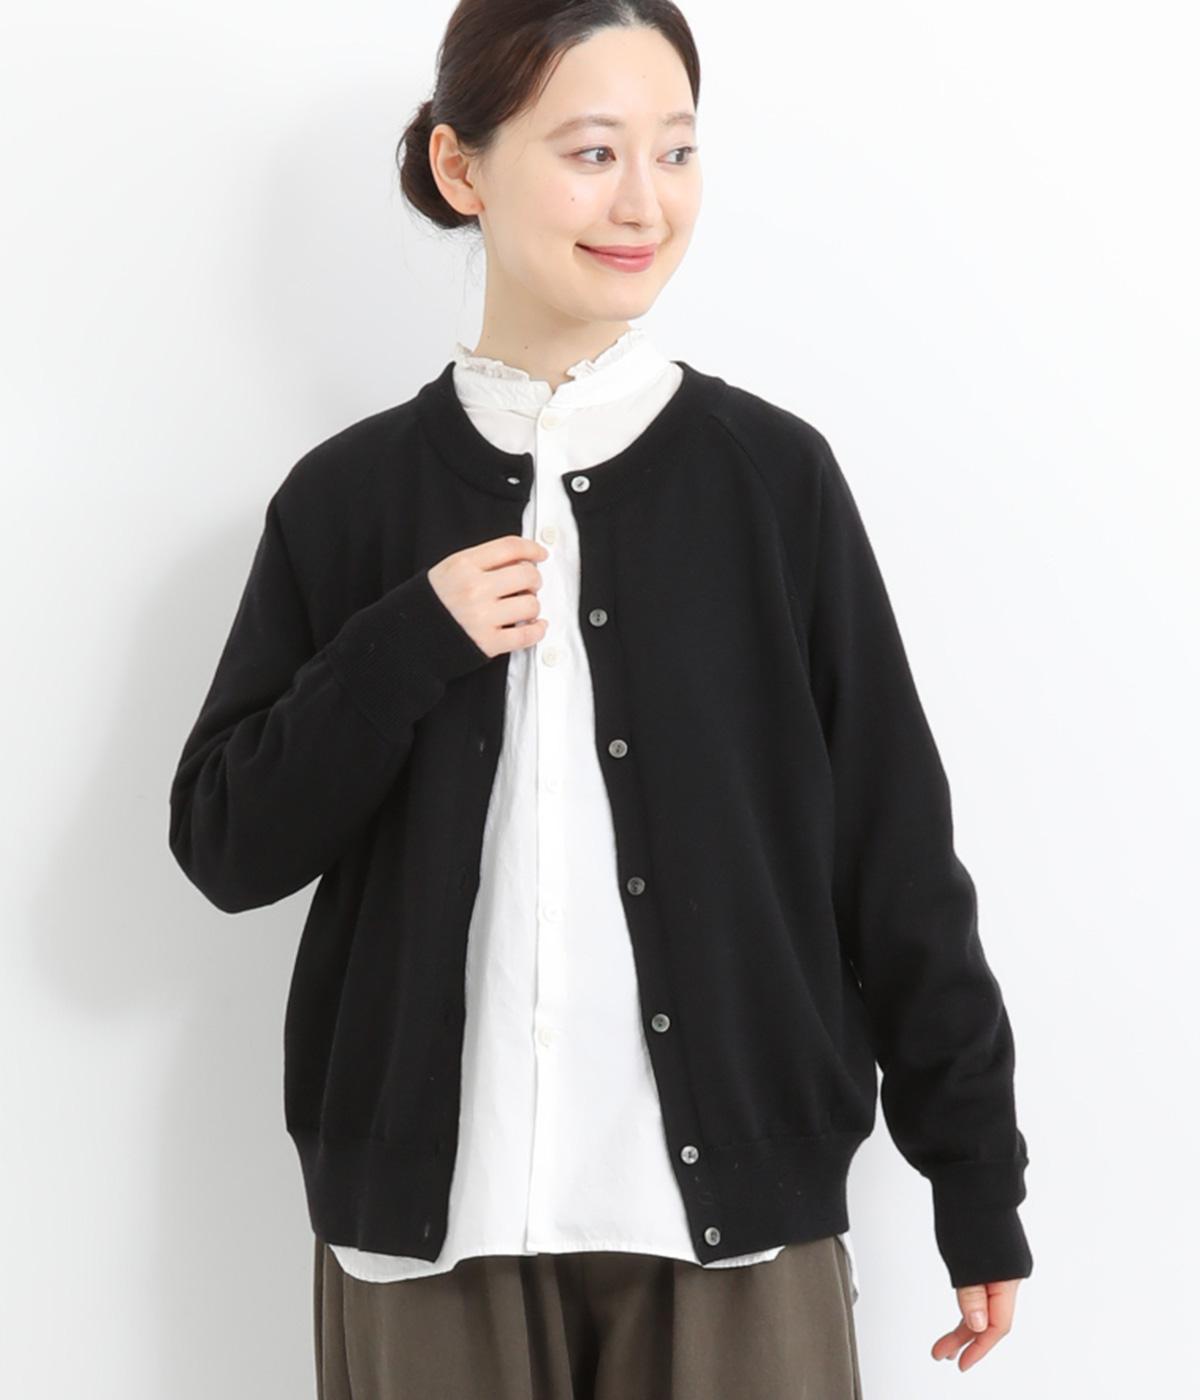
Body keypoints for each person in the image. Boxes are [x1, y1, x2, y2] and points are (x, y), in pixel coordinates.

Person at [169, 3, 1032, 1396]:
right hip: (428, 1238)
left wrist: (975, 1176)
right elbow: (226, 845)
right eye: (590, 152)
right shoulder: (348, 501)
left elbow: (893, 860)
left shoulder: (772, 483)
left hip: (734, 1235)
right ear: (463, 167)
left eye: (675, 151)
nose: (644, 202)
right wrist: (404, 646)